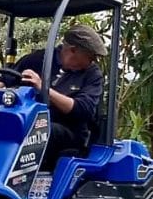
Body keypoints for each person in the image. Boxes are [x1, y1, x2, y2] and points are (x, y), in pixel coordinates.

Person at [12, 24, 106, 169]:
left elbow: (83, 110)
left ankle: (22, 174)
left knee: (43, 129)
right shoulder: (38, 59)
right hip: (26, 120)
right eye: (90, 57)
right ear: (73, 50)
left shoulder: (92, 74)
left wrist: (44, 88)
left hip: (69, 132)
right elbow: (8, 77)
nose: (91, 62)